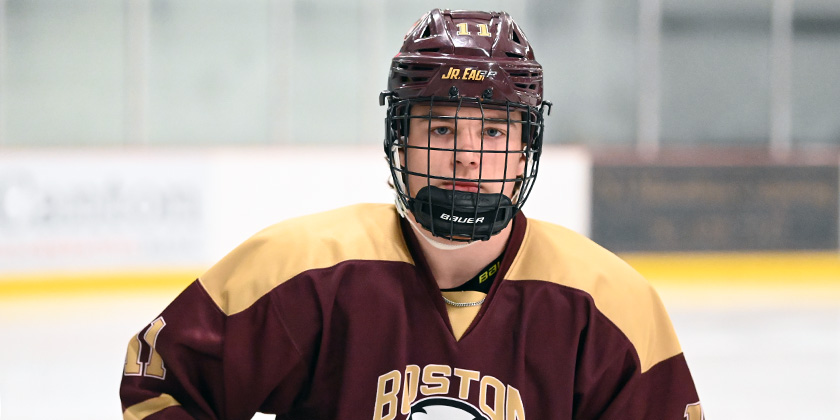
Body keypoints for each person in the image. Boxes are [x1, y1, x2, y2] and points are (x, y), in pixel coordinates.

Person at [120, 9, 703, 420]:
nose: (466, 156)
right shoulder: (303, 272)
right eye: (441, 126)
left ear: (528, 144)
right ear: (399, 137)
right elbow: (163, 382)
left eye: (495, 130)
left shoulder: (610, 307)